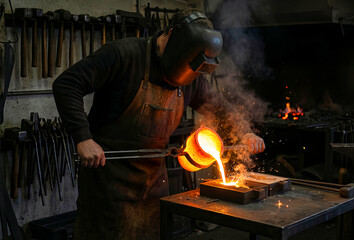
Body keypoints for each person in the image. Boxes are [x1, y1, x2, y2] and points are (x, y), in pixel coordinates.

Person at [53, 10, 265, 240]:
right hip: (108, 182)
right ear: (170, 36)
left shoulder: (190, 76)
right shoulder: (123, 55)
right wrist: (83, 138)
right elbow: (67, 84)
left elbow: (220, 108)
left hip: (154, 183)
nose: (184, 76)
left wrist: (245, 132)